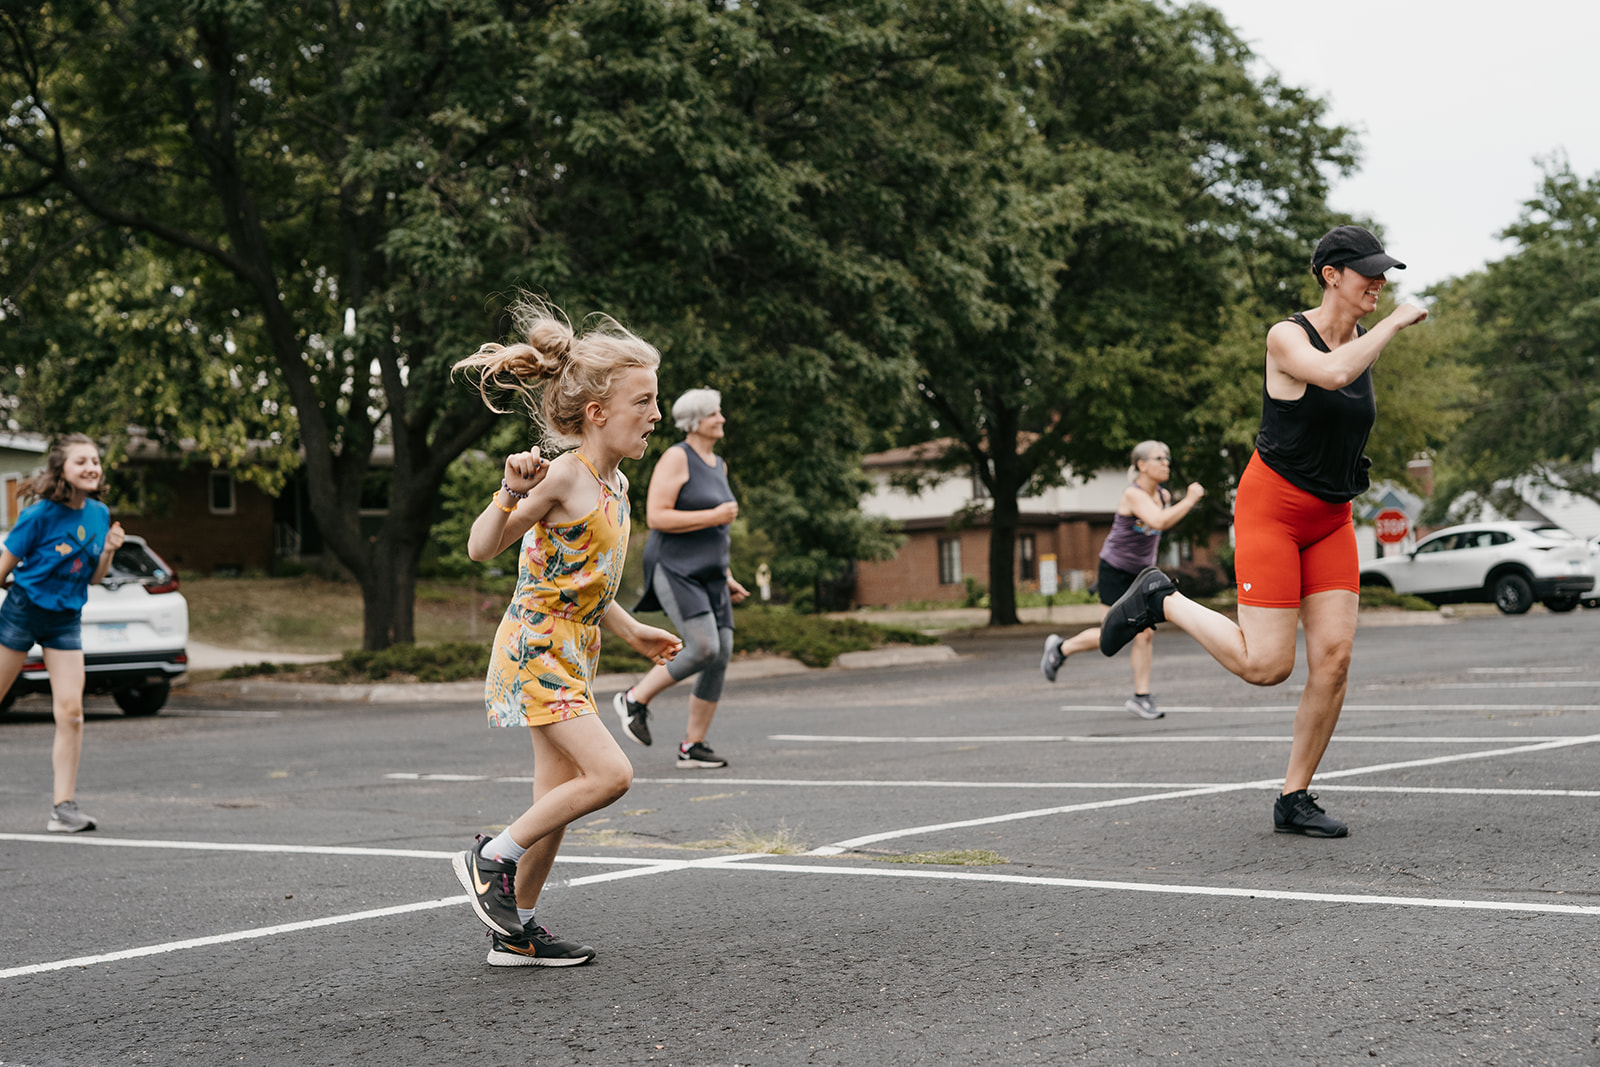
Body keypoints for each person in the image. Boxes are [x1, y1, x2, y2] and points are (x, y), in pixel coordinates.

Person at [1095, 225, 1428, 838]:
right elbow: (1330, 375)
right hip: (1271, 508)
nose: (1380, 283)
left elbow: (1347, 378)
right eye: (1368, 272)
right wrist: (1395, 324)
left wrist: (1375, 332)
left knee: (1334, 658)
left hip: (1331, 516)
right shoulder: (1287, 337)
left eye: (1384, 273)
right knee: (1267, 666)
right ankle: (1160, 598)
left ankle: (1294, 797)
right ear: (1332, 275)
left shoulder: (1357, 339)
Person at [449, 298, 684, 967]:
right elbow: (480, 546)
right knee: (611, 774)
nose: (657, 414)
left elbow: (588, 581)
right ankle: (490, 856)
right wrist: (505, 490)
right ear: (597, 412)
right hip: (534, 649)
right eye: (645, 400)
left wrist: (634, 628)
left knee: (554, 802)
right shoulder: (563, 477)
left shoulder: (618, 485)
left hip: (573, 646)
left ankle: (515, 931)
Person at [612, 388, 749, 769]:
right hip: (676, 567)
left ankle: (692, 746)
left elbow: (717, 531)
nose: (721, 419)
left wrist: (726, 574)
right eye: (714, 414)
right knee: (704, 647)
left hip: (710, 572)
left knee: (720, 653)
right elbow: (657, 516)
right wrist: (715, 515)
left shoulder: (717, 464)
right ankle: (634, 699)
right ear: (695, 421)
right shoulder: (677, 457)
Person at [0, 433, 126, 833]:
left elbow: (92, 577)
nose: (91, 467)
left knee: (71, 714)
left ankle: (63, 808)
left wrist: (108, 551)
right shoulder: (38, 516)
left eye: (95, 460)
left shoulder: (99, 514)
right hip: (22, 612)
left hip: (66, 619)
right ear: (62, 471)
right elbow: (2, 570)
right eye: (81, 461)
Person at [1039, 441, 1205, 719]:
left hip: (1141, 573)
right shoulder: (1133, 495)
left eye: (1167, 458)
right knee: (1110, 633)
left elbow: (1161, 520)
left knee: (1146, 633)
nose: (1166, 463)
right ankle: (1061, 648)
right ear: (1141, 465)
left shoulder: (1163, 495)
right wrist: (1189, 499)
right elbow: (1160, 522)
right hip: (1115, 570)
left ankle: (1141, 696)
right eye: (1159, 458)